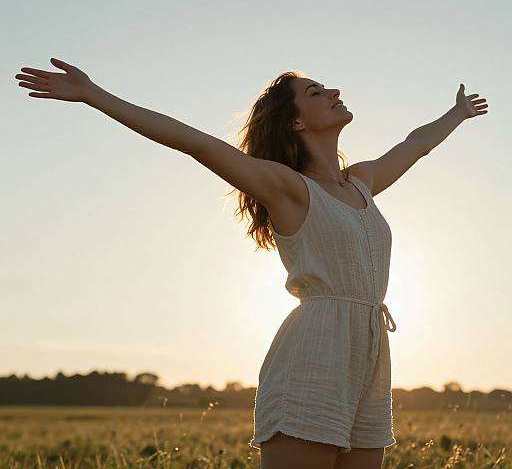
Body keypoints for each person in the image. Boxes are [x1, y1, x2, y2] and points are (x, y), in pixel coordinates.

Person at [15, 59, 489, 469]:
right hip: (315, 352)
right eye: (315, 92)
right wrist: (95, 95)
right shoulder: (286, 187)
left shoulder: (361, 181)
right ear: (296, 123)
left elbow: (416, 144)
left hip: (370, 353)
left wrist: (457, 113)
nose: (334, 92)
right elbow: (194, 143)